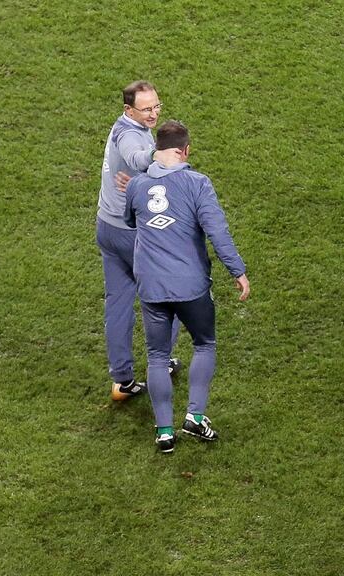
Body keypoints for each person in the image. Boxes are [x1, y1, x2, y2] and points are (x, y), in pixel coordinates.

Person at [123, 120, 250, 453]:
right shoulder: (197, 184)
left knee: (156, 356)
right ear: (185, 150)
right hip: (191, 286)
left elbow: (130, 221)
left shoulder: (136, 186)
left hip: (151, 286)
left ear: (157, 149)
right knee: (204, 343)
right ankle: (195, 417)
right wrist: (237, 270)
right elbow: (217, 233)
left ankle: (164, 432)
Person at [97, 80, 182, 402]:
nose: (153, 114)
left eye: (156, 106)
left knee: (117, 304)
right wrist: (157, 157)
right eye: (146, 109)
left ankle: (122, 381)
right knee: (168, 296)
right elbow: (135, 156)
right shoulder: (131, 134)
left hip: (106, 227)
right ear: (128, 110)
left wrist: (140, 178)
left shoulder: (120, 128)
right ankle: (161, 363)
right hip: (132, 234)